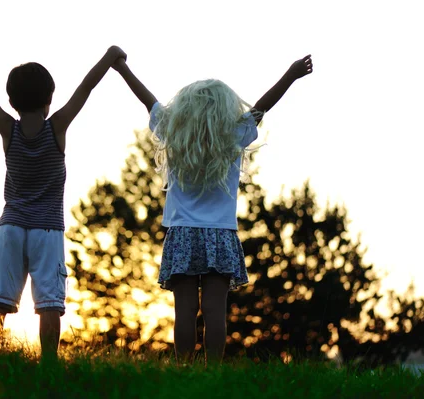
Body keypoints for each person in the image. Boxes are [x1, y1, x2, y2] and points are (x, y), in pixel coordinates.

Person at [0, 35, 126, 358]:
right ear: (50, 98)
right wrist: (110, 56)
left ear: (11, 101)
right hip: (47, 230)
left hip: (10, 228)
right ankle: (49, 367)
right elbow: (86, 89)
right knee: (49, 304)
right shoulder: (57, 126)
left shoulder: (9, 129)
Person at [112, 54, 313, 364]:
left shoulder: (174, 132)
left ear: (184, 110)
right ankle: (213, 372)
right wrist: (292, 74)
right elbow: (261, 107)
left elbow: (148, 100)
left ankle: (182, 369)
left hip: (182, 235)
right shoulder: (232, 136)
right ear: (224, 110)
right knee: (215, 311)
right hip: (221, 235)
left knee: (185, 312)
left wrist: (122, 67)